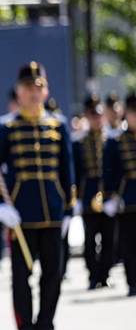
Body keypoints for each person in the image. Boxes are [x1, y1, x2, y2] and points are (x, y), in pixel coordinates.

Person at [0, 61, 75, 330]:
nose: (34, 93)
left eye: (39, 87)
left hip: (52, 212)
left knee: (53, 274)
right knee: (21, 277)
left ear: (45, 90)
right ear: (19, 91)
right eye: (29, 88)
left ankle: (46, 327)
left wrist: (69, 209)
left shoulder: (58, 124)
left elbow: (67, 170)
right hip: (21, 214)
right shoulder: (6, 127)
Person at [72, 94, 115, 289]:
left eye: (99, 115)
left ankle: (104, 274)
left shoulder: (110, 140)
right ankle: (92, 274)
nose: (97, 119)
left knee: (108, 237)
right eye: (92, 115)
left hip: (106, 193)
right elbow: (77, 172)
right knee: (90, 239)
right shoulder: (79, 142)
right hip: (88, 193)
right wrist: (77, 198)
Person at [103, 92, 136, 297]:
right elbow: (110, 171)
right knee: (129, 245)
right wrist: (110, 196)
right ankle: (132, 282)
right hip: (127, 199)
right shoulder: (116, 141)